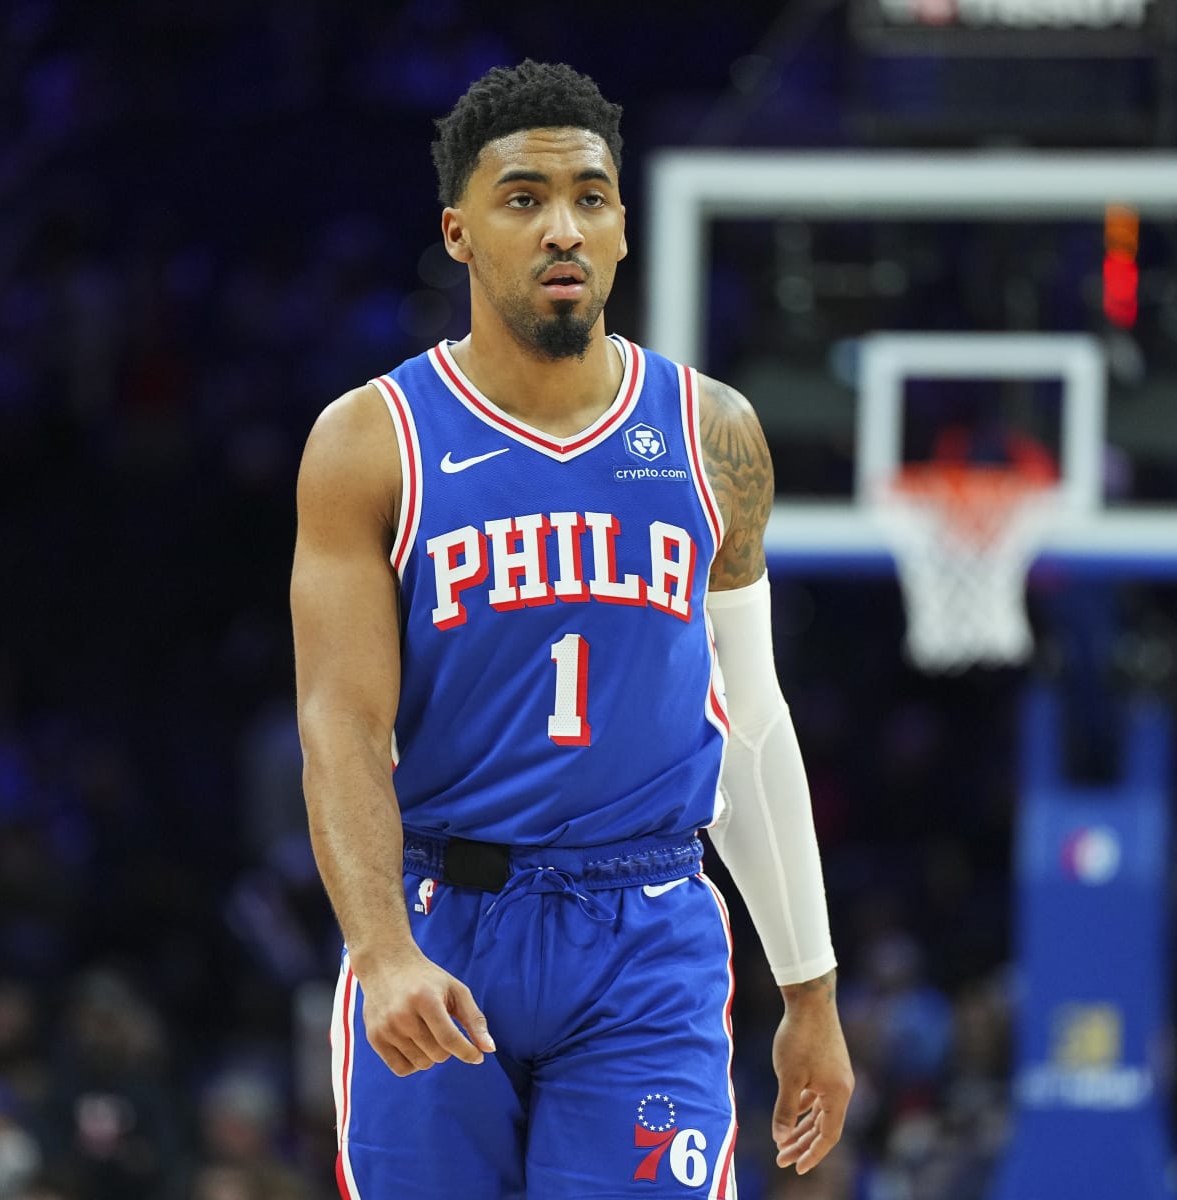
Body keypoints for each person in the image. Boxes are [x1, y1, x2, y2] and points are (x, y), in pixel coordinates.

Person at [290, 60, 853, 1197]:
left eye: (591, 198)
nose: (563, 228)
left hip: (646, 931)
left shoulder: (714, 435)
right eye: (524, 199)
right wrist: (381, 950)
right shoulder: (372, 442)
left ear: (625, 228)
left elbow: (750, 722)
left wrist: (811, 991)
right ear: (459, 231)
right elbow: (341, 726)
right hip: (445, 919)